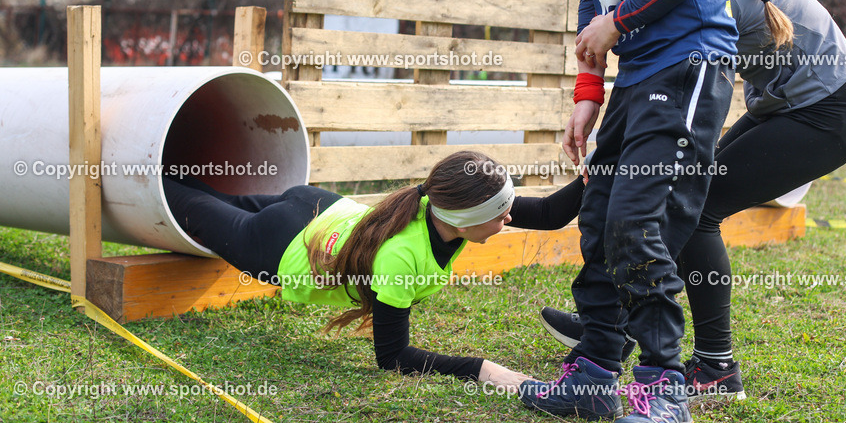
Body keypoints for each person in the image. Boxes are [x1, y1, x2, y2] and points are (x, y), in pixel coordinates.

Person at [537, 0, 846, 402]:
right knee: (684, 199)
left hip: (828, 114)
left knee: (697, 208)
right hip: (782, 108)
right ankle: (616, 328)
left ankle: (716, 367)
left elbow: (688, 100)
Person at [521, 0, 738, 423]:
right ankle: (593, 374)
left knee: (636, 221)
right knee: (597, 217)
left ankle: (663, 391)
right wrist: (588, 93)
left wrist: (616, 25)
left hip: (690, 62)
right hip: (638, 73)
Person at [162, 150, 585, 390]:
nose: (509, 218)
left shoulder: (442, 204)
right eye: (501, 215)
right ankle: (135, 165)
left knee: (212, 199)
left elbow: (548, 213)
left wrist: (598, 173)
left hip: (317, 206)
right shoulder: (401, 258)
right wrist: (483, 370)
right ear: (462, 220)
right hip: (279, 245)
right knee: (182, 204)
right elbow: (392, 357)